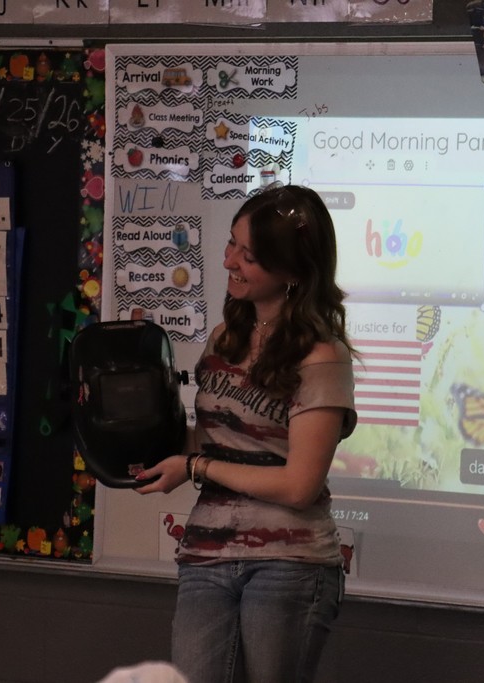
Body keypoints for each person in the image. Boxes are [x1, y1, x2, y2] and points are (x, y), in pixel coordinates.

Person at [134, 184, 357, 683]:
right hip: (206, 554)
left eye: (249, 255)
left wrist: (196, 468)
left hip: (288, 563)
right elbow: (214, 439)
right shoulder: (225, 337)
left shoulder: (322, 356)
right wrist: (145, 447)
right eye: (232, 243)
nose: (230, 261)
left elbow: (299, 486)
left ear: (293, 271)